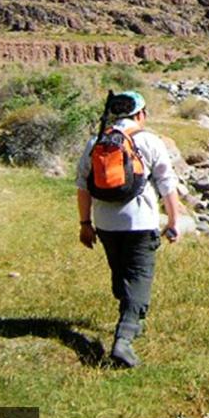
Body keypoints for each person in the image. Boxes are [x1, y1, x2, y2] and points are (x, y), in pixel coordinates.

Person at [75, 90, 182, 368]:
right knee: (139, 280)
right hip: (141, 223)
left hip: (105, 224)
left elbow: (82, 186)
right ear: (140, 114)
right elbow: (167, 183)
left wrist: (85, 224)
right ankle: (124, 340)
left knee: (121, 275)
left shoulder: (96, 142)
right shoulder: (149, 141)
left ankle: (132, 319)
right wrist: (173, 221)